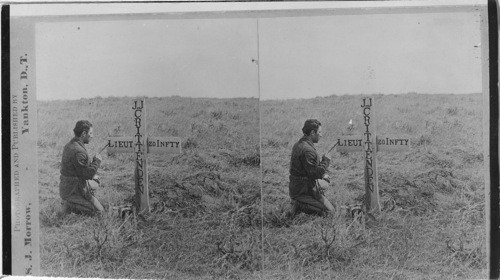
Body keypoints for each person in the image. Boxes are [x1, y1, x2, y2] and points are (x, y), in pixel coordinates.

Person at [289, 119, 335, 216]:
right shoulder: (307, 150)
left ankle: (308, 200)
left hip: (299, 184)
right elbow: (314, 173)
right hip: (303, 189)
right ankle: (299, 204)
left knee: (325, 184)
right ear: (313, 132)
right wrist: (325, 161)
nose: (321, 135)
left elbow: (308, 168)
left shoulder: (300, 144)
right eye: (319, 132)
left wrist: (324, 174)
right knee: (329, 212)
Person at [59, 120, 104, 216]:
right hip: (73, 189)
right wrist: (96, 161)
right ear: (84, 133)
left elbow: (79, 170)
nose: (92, 136)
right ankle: (70, 205)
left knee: (95, 183)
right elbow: (87, 174)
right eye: (90, 133)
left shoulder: (72, 144)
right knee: (99, 212)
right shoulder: (78, 151)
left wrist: (93, 175)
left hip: (68, 184)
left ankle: (75, 202)